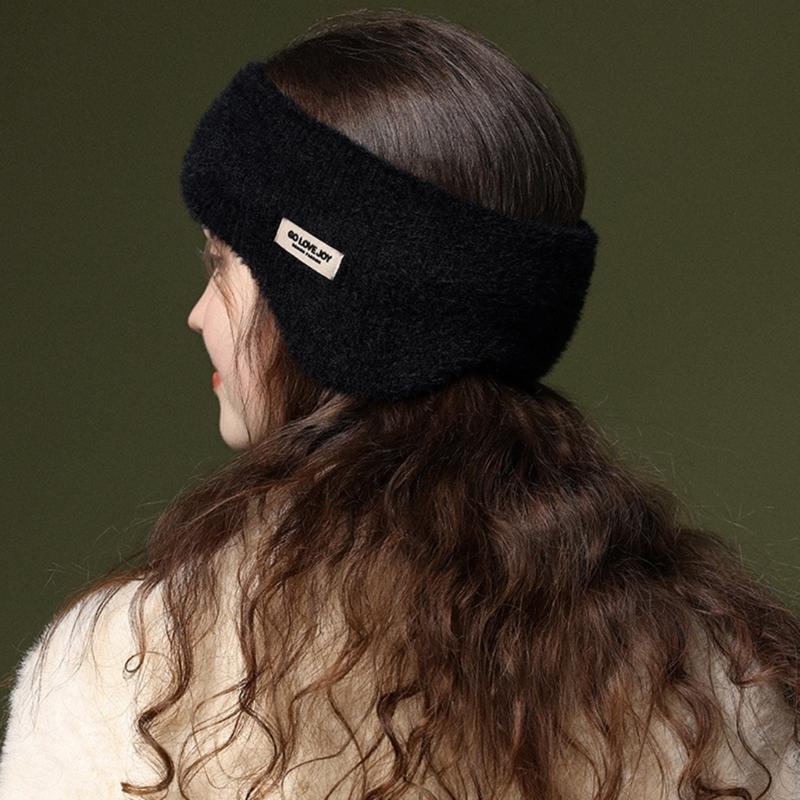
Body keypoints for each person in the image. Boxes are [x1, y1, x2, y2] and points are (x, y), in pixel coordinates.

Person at [1, 8, 799, 799]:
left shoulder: (130, 674)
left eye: (221, 265)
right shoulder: (724, 685)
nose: (198, 314)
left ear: (318, 294)